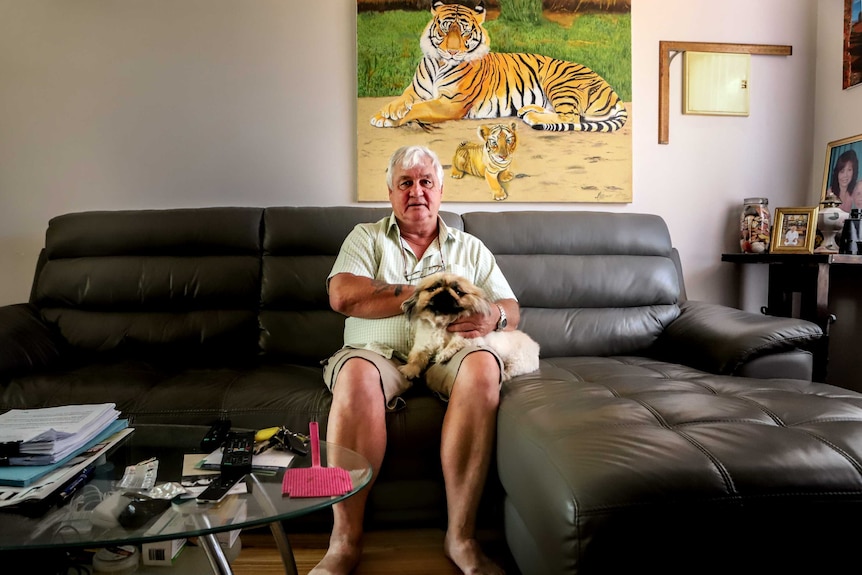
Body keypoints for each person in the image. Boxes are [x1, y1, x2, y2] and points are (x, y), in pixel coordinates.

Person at [313, 145, 517, 575]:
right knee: (354, 374)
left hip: (451, 354)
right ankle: (344, 541)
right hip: (378, 356)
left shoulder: (471, 247)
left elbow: (510, 308)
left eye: (426, 182)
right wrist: (430, 291)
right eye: (405, 183)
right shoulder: (365, 237)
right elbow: (343, 295)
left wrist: (493, 315)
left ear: (441, 192)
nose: (417, 191)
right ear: (390, 193)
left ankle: (461, 538)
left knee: (484, 366)